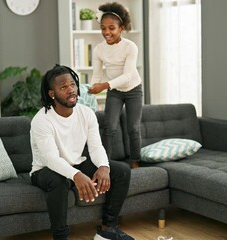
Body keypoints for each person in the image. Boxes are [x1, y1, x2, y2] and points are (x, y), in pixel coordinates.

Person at [30, 64, 134, 240]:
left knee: (121, 171)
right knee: (59, 180)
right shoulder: (42, 120)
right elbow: (50, 159)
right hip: (44, 170)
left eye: (72, 85)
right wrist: (76, 175)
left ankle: (107, 229)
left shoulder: (86, 113)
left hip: (76, 162)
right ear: (52, 94)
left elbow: (95, 146)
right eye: (63, 87)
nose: (71, 90)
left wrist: (103, 166)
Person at [88, 2, 143, 169]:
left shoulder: (130, 47)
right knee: (109, 127)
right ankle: (104, 164)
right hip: (114, 91)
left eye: (111, 28)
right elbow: (97, 75)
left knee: (133, 128)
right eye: (103, 28)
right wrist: (90, 89)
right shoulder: (98, 50)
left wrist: (103, 86)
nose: (106, 32)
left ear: (121, 28)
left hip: (133, 89)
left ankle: (135, 161)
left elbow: (127, 76)